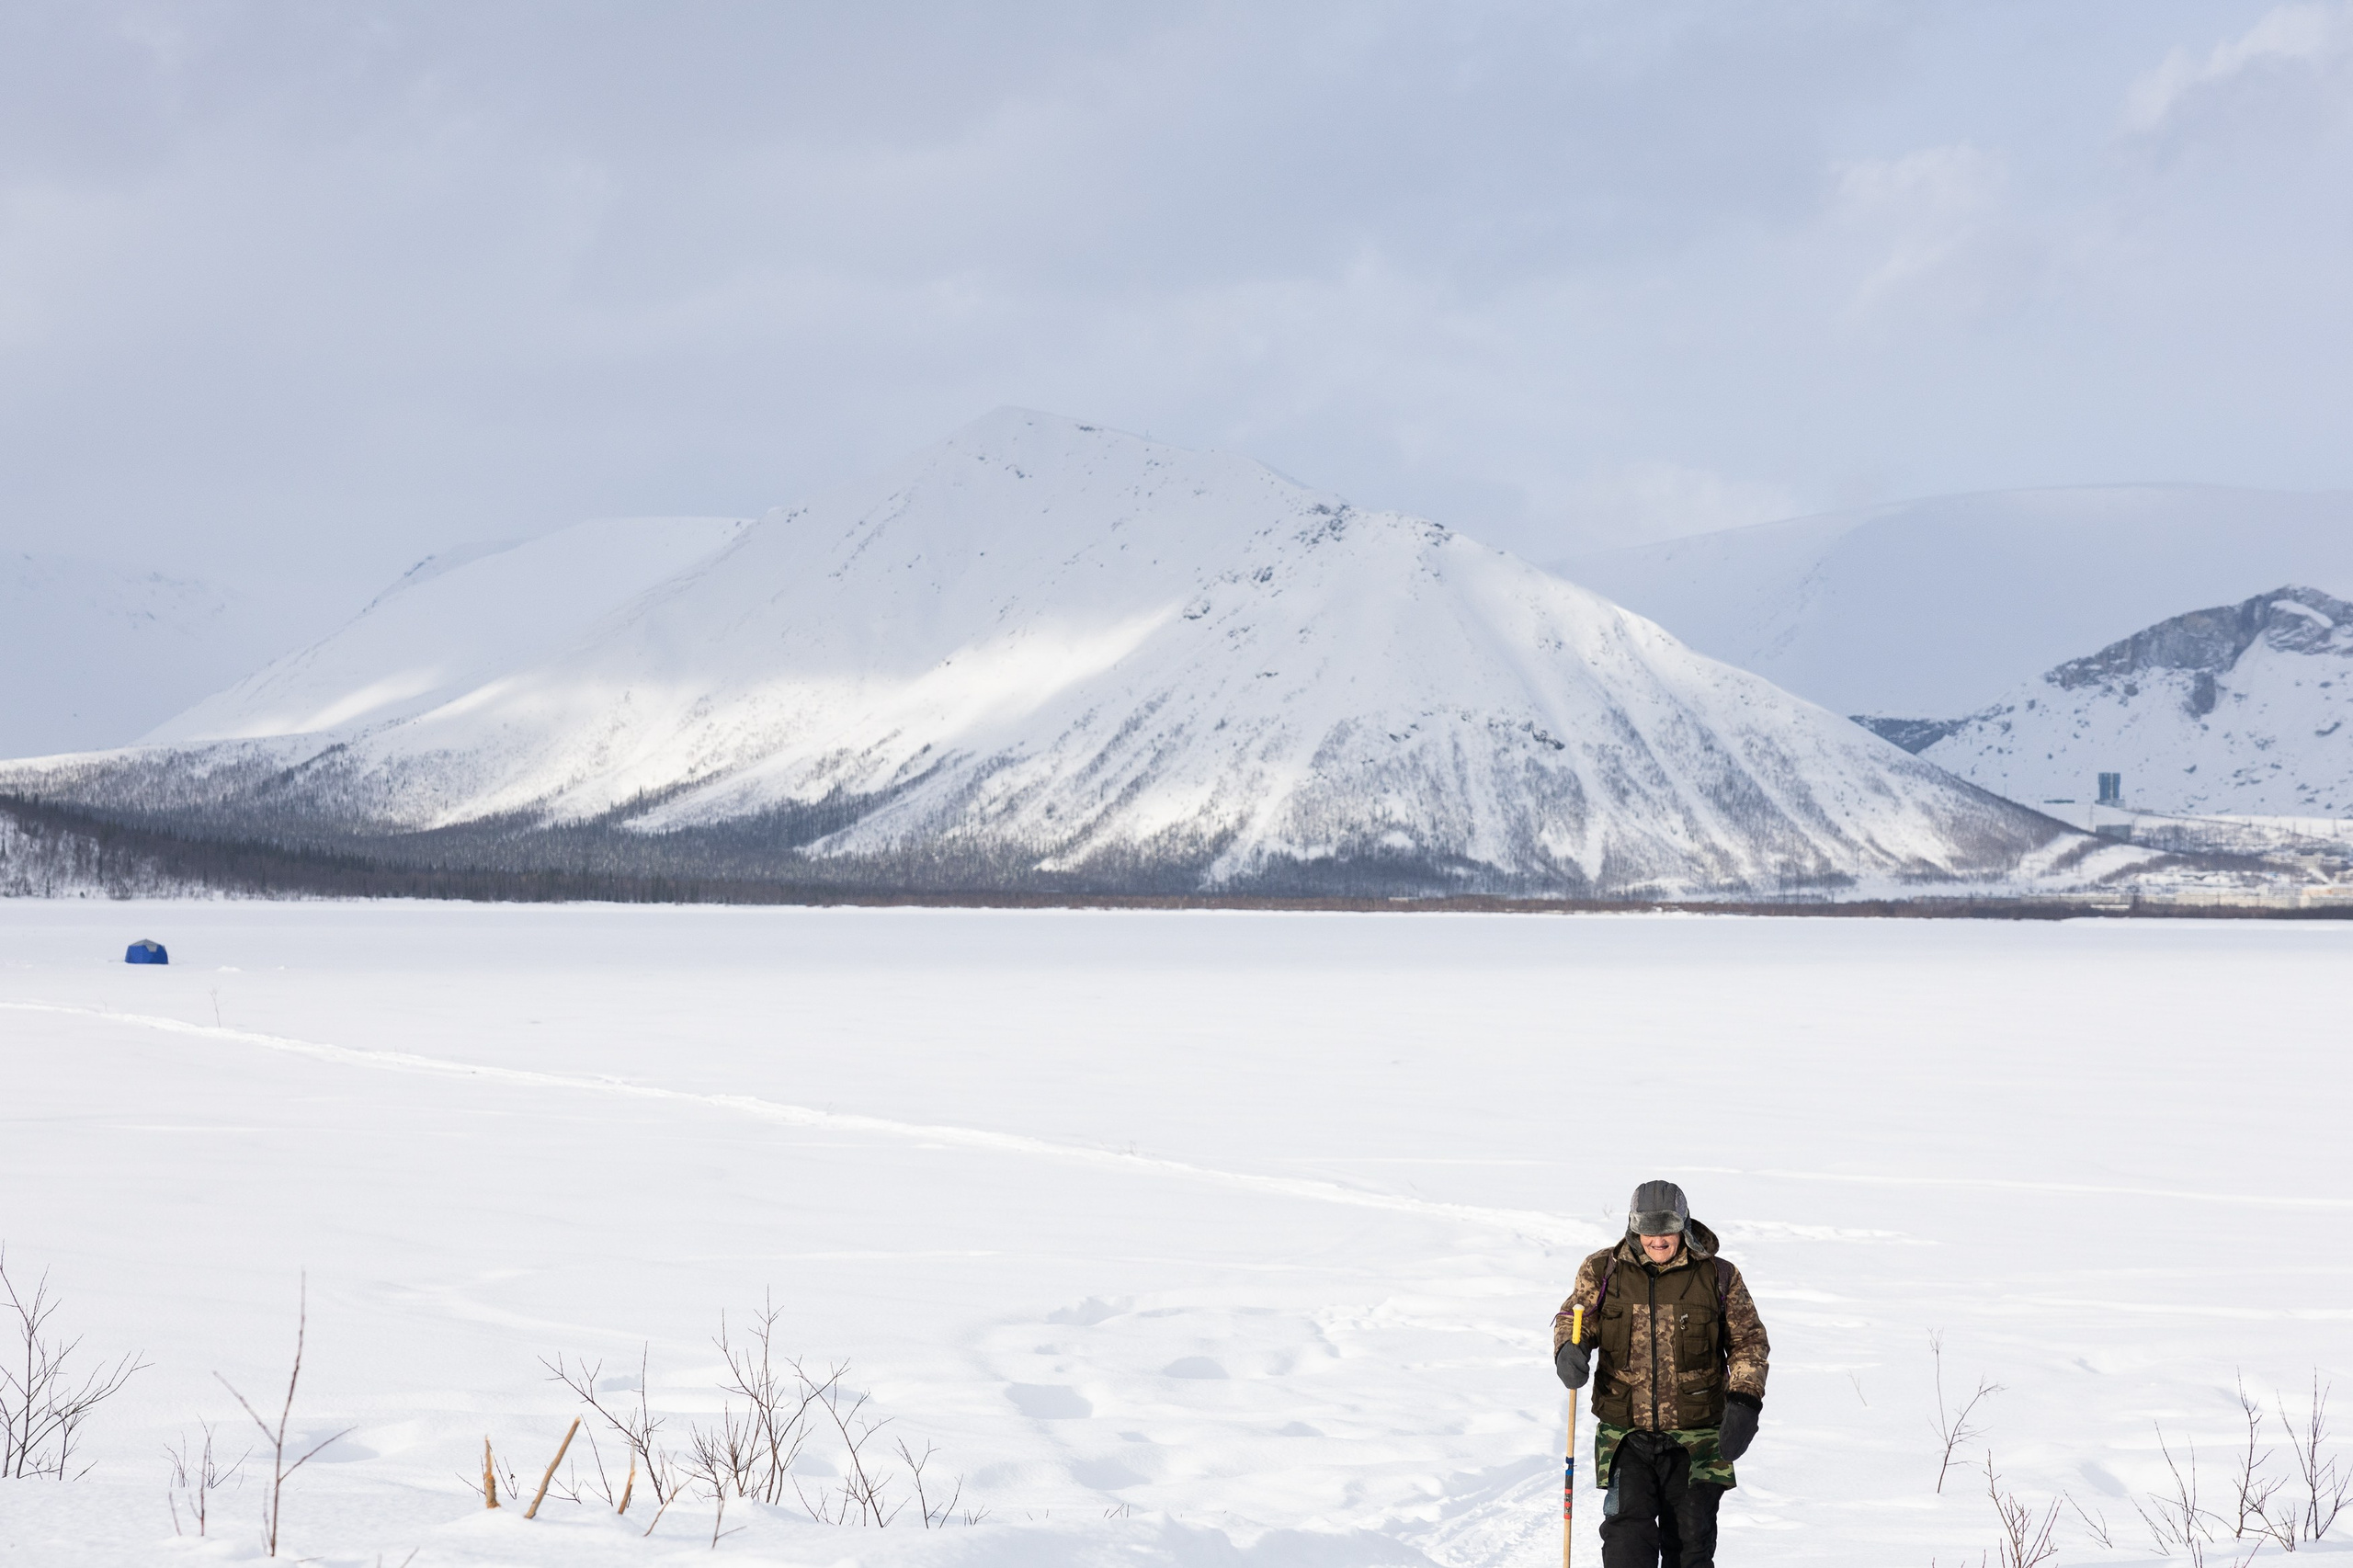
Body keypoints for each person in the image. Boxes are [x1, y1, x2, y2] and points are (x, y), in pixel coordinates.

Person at [1552, 1180, 1769, 1568]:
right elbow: (1576, 1317)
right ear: (1633, 1226)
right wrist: (1570, 1347)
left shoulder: (1719, 1276)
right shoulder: (1603, 1269)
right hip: (1625, 1436)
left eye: (1666, 1227)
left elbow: (1748, 1342)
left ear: (1684, 1224)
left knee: (1689, 1547)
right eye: (1647, 1228)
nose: (1657, 1240)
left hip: (1698, 1436)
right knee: (1625, 1546)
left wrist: (1744, 1400)